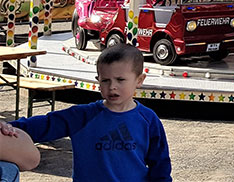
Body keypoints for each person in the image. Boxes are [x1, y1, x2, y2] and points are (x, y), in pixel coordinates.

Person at [0, 44, 172, 181]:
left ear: (139, 80)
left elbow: (160, 164)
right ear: (98, 81)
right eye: (105, 80)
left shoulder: (148, 120)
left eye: (120, 80)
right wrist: (7, 127)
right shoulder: (82, 116)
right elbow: (44, 125)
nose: (112, 86)